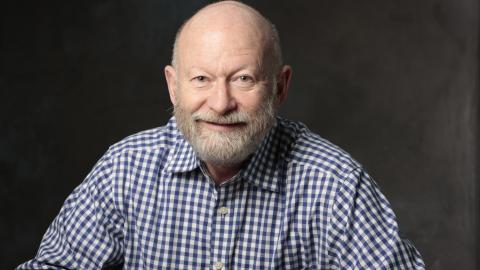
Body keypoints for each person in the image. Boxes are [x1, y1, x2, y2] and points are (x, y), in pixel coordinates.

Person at [18, 1, 425, 269]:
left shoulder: (333, 184)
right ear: (173, 85)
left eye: (243, 79)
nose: (220, 102)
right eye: (201, 79)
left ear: (280, 88)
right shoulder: (126, 169)